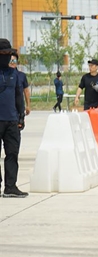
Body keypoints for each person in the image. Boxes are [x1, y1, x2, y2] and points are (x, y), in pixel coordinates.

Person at [0, 39, 28, 198]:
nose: (8, 58)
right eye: (4, 55)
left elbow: (19, 96)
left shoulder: (15, 74)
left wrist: (21, 116)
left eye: (9, 54)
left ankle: (10, 187)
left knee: (12, 154)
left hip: (11, 120)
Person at [9, 51, 30, 117]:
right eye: (10, 61)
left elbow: (26, 91)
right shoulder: (3, 76)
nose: (12, 63)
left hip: (19, 109)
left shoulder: (22, 75)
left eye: (14, 61)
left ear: (17, 62)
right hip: (7, 109)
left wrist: (28, 105)